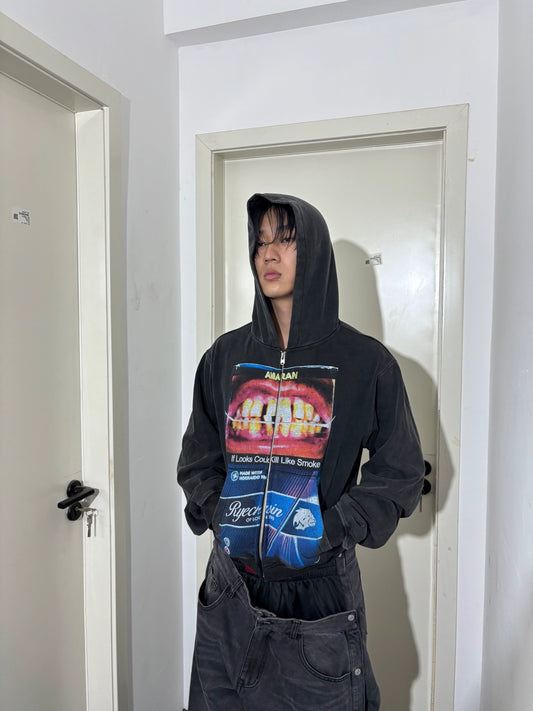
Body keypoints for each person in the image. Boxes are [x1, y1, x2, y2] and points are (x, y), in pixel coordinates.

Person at [178, 193, 425, 711]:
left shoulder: (365, 362)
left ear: (313, 251)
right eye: (260, 242)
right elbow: (198, 457)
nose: (269, 254)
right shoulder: (224, 356)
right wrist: (222, 514)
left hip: (318, 599)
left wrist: (330, 529)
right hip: (230, 591)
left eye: (286, 240)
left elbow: (399, 470)